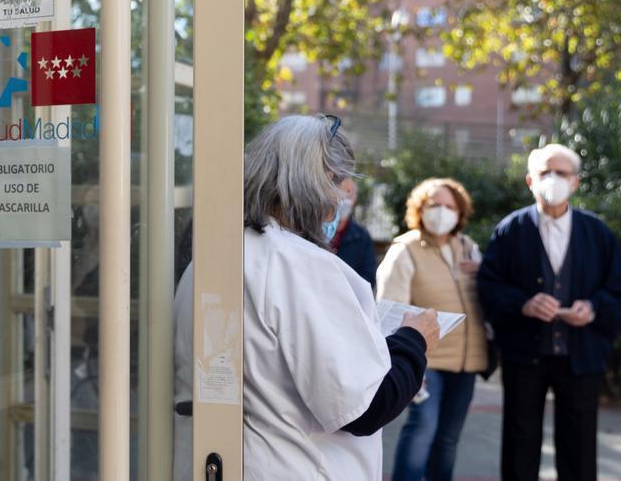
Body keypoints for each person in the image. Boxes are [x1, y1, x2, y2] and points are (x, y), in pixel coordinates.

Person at [172, 114, 441, 480]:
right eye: (340, 180)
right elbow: (365, 408)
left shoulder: (212, 259)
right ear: (313, 183)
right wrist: (414, 339)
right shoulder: (301, 266)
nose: (346, 194)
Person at [477, 144, 621, 481]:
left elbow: (619, 292)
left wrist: (592, 308)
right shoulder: (511, 229)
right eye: (546, 172)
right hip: (524, 354)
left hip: (580, 354)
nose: (554, 179)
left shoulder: (597, 232)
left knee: (579, 444)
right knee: (520, 439)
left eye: (562, 173)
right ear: (530, 180)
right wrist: (523, 304)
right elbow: (489, 287)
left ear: (575, 182)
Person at [377, 178, 488, 481]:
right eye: (434, 204)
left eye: (449, 206)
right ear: (420, 209)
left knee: (448, 438)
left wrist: (485, 271)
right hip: (426, 360)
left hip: (466, 361)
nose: (442, 211)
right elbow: (389, 308)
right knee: (423, 428)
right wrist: (404, 356)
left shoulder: (467, 247)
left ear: (460, 212)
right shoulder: (405, 249)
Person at [333, 177, 378, 289]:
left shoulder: (361, 235)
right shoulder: (314, 231)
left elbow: (369, 276)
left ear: (355, 199)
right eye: (340, 194)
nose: (343, 201)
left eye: (349, 196)